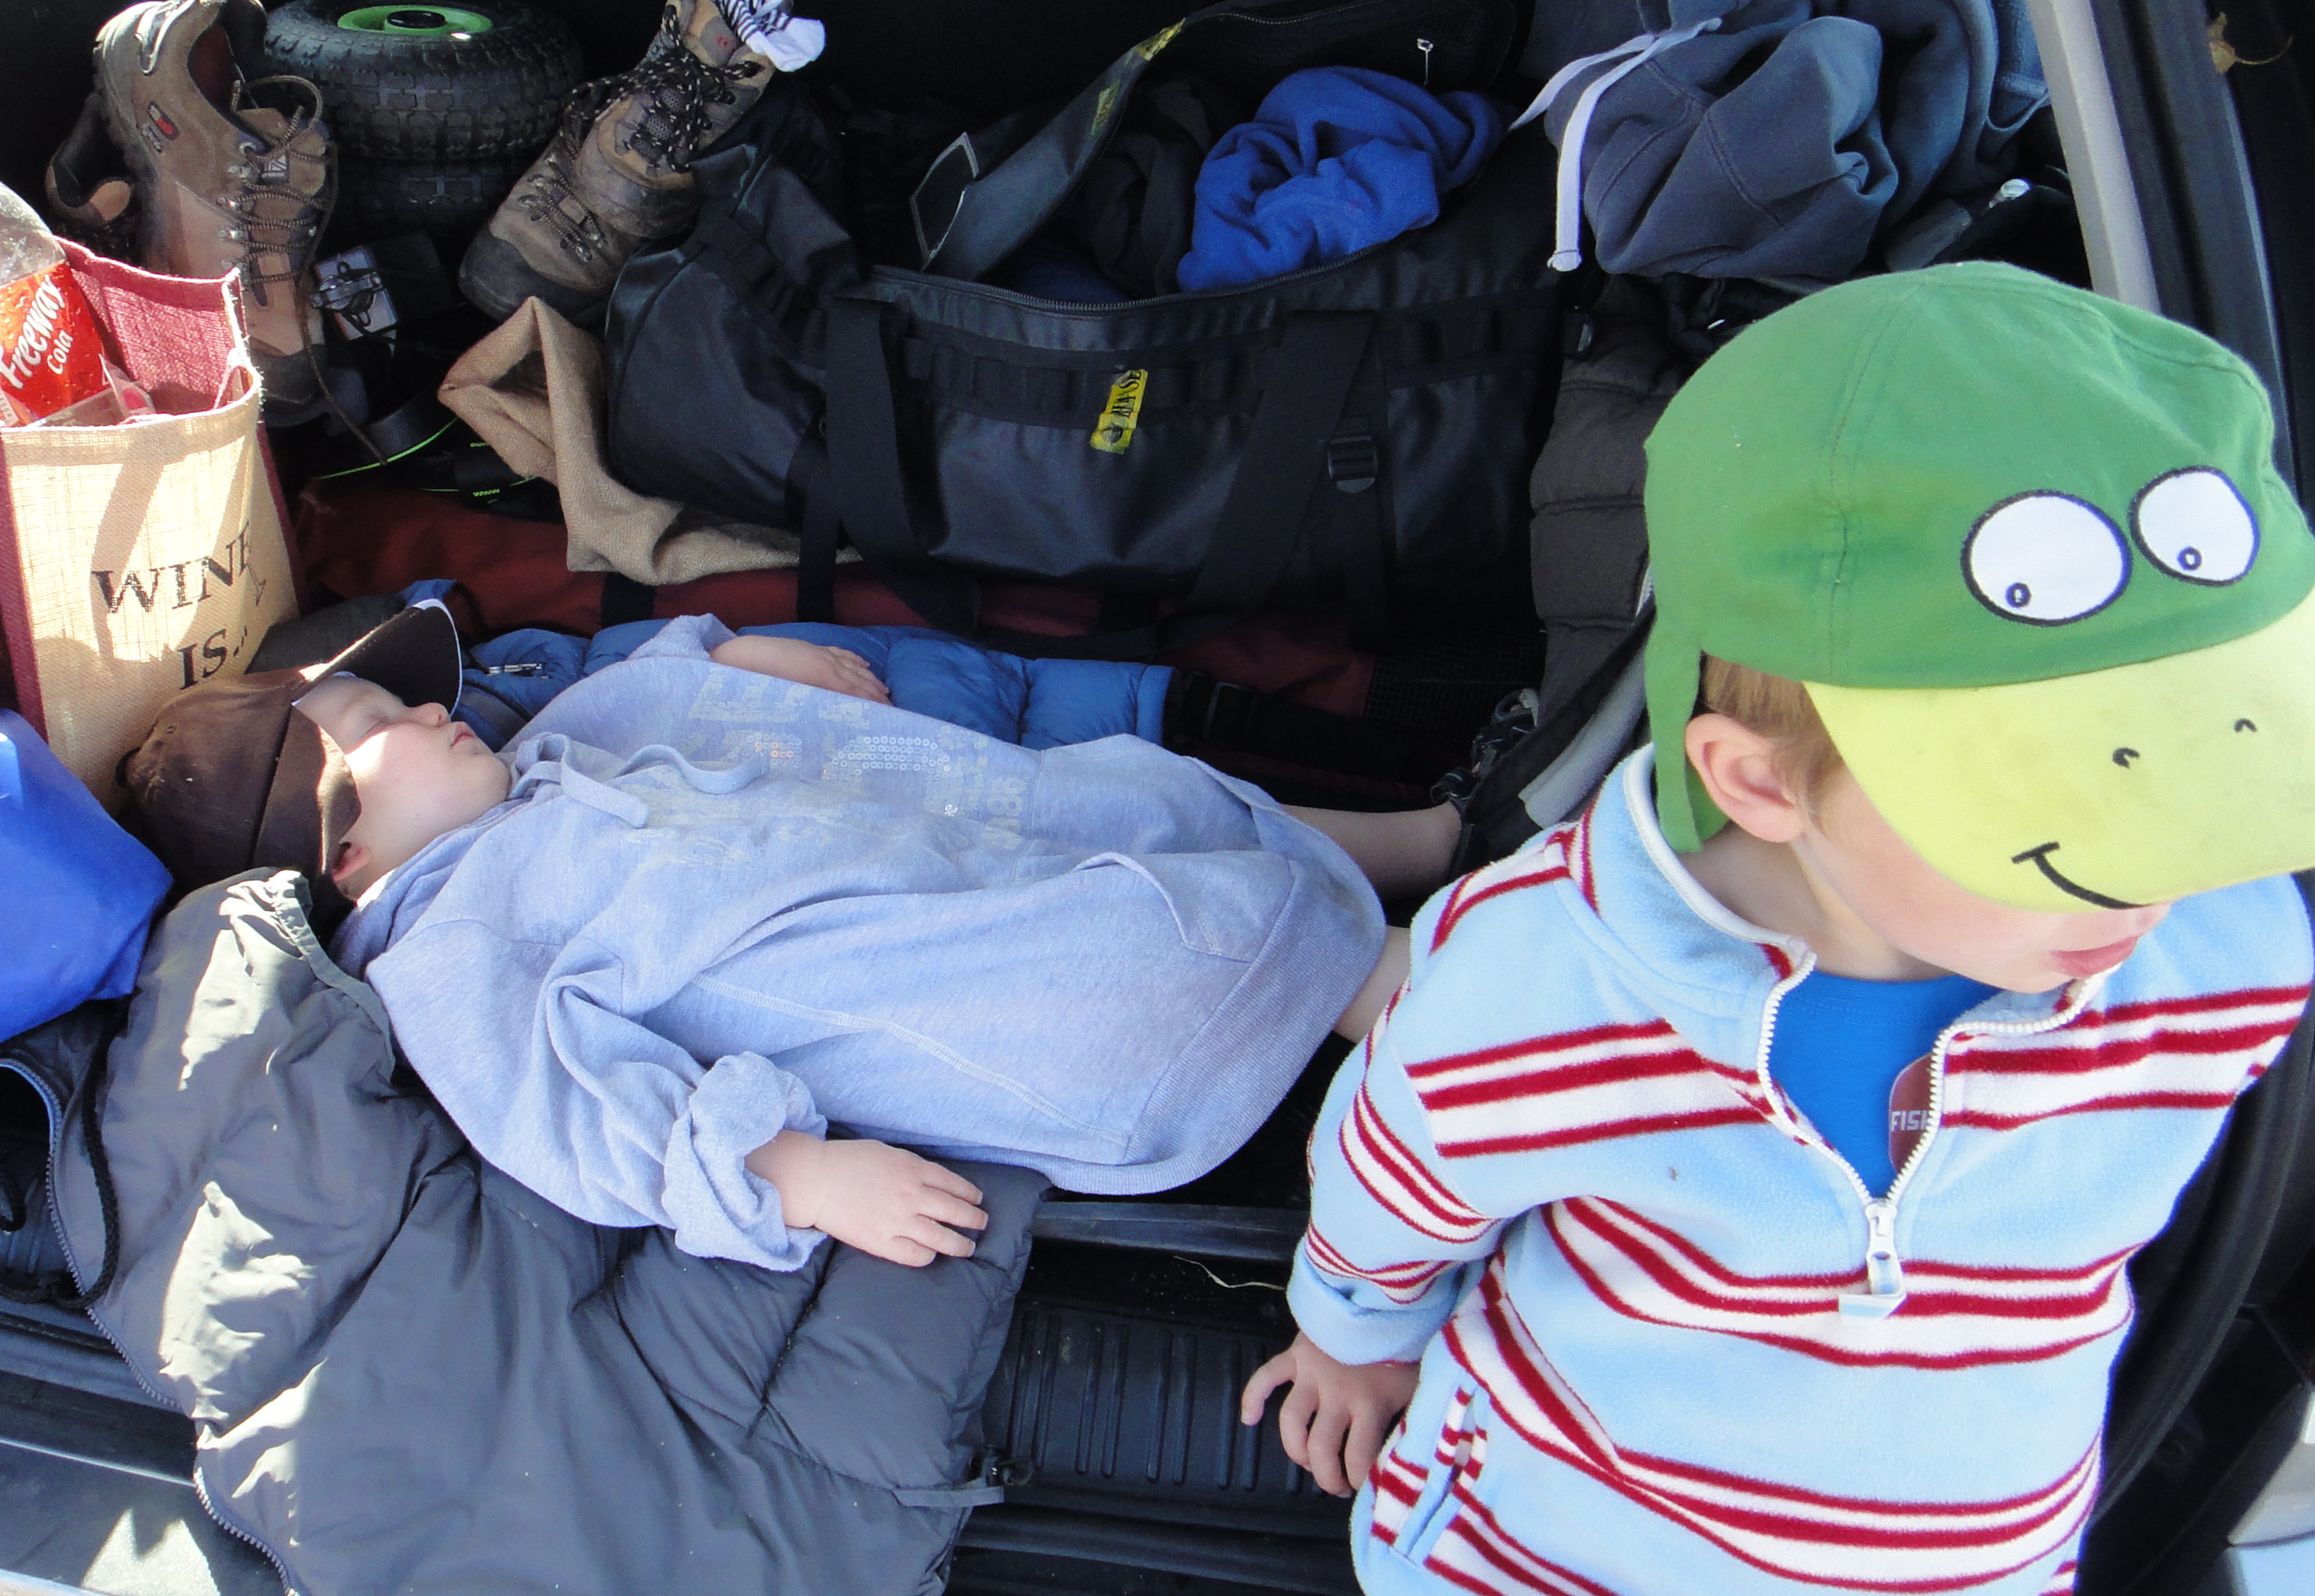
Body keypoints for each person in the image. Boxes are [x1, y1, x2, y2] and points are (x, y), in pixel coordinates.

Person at [1241, 262, 2315, 1596]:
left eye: (2202, 789)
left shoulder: (2230, 957)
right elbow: (1399, 1168)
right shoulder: (1548, 982)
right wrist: (1352, 1339)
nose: (2149, 886)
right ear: (1761, 782)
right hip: (1556, 1548)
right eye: (2049, 830)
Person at [123, 598, 1440, 1272]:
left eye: (404, 697)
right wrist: (788, 1174)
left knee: (1129, 798)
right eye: (382, 731)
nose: (426, 713)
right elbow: (574, 1118)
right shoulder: (452, 953)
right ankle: (1432, 985)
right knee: (1157, 952)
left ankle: (1422, 844)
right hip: (930, 979)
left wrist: (735, 659)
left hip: (926, 845)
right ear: (348, 859)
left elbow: (646, 687)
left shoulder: (539, 756)